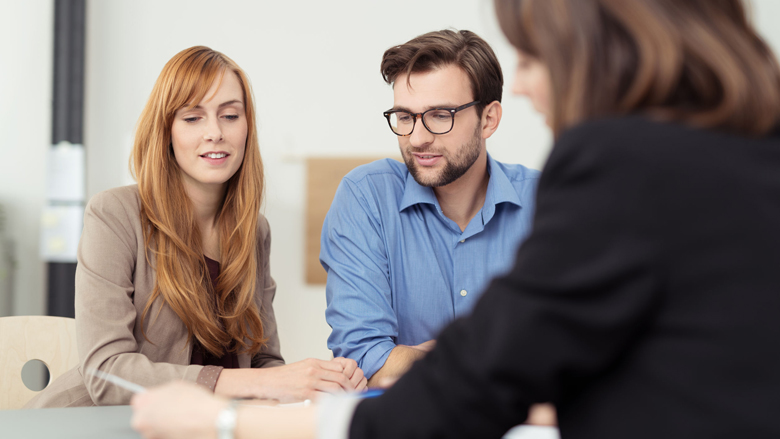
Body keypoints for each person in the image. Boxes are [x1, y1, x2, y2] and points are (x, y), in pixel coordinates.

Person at [131, 0, 780, 438]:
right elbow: (376, 356)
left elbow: (477, 378)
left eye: (533, 57)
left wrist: (223, 421)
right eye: (404, 117)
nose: (524, 84)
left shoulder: (612, 166)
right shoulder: (752, 153)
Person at [26, 46, 365, 408]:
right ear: (166, 131)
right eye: (192, 118)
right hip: (89, 426)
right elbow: (106, 373)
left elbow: (263, 361)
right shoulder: (114, 214)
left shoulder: (254, 231)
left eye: (230, 115)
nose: (215, 132)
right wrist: (265, 381)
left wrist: (320, 382)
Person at [320, 29, 540, 386]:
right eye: (405, 117)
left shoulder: (543, 204)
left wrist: (413, 359)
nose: (418, 138)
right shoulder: (366, 197)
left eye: (440, 115)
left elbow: (576, 350)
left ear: (489, 119)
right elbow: (363, 360)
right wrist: (498, 357)